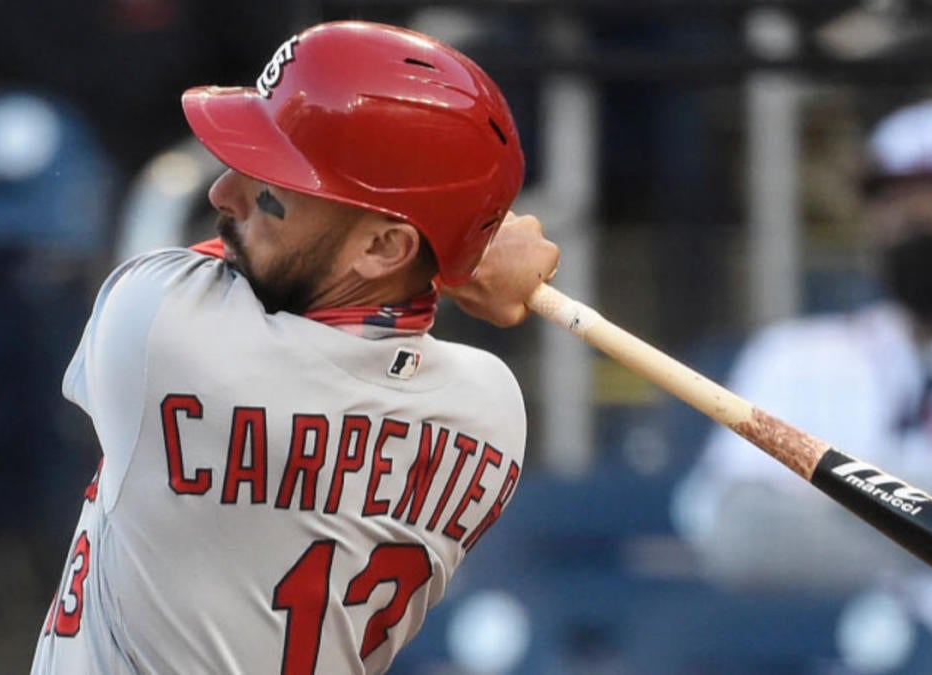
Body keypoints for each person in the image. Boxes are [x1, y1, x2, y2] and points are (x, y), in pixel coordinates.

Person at [29, 21, 560, 675]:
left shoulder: (158, 333)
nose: (222, 193)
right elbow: (360, 305)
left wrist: (457, 265)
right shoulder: (493, 410)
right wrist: (452, 250)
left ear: (381, 247)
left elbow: (278, 316)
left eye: (270, 194)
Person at [674, 98, 932, 674]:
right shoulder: (797, 355)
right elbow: (741, 537)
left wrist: (832, 505)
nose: (922, 226)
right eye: (902, 206)